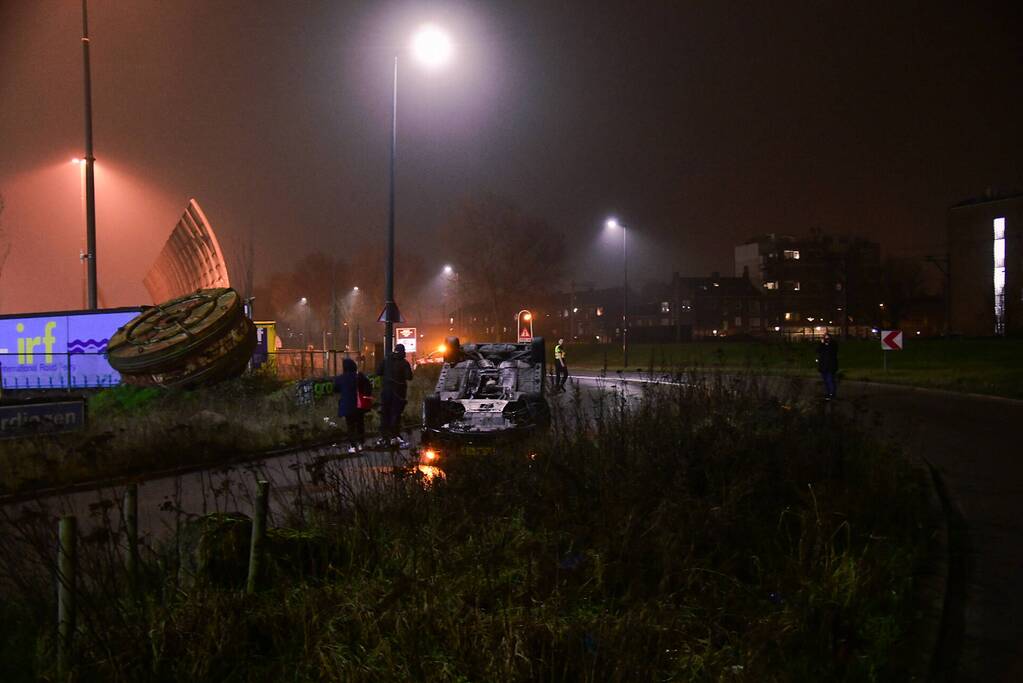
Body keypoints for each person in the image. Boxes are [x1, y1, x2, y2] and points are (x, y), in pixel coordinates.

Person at [376, 343, 414, 447]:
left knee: (385, 414)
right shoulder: (404, 363)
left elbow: (378, 372)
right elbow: (409, 377)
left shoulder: (386, 361)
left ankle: (384, 437)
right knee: (396, 414)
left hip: (386, 392)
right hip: (399, 393)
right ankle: (394, 436)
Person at [334, 357, 372, 453]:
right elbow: (368, 386)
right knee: (360, 424)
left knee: (350, 426)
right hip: (359, 405)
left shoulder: (340, 378)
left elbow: (335, 389)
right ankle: (361, 443)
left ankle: (352, 446)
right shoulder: (359, 376)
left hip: (347, 406)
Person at [816, 331, 839, 400]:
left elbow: (832, 350)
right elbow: (817, 350)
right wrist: (822, 343)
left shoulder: (833, 345)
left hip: (831, 366)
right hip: (823, 366)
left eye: (827, 338)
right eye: (825, 338)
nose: (826, 339)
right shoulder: (822, 345)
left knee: (830, 380)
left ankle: (832, 394)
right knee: (825, 380)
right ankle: (828, 393)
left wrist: (826, 344)